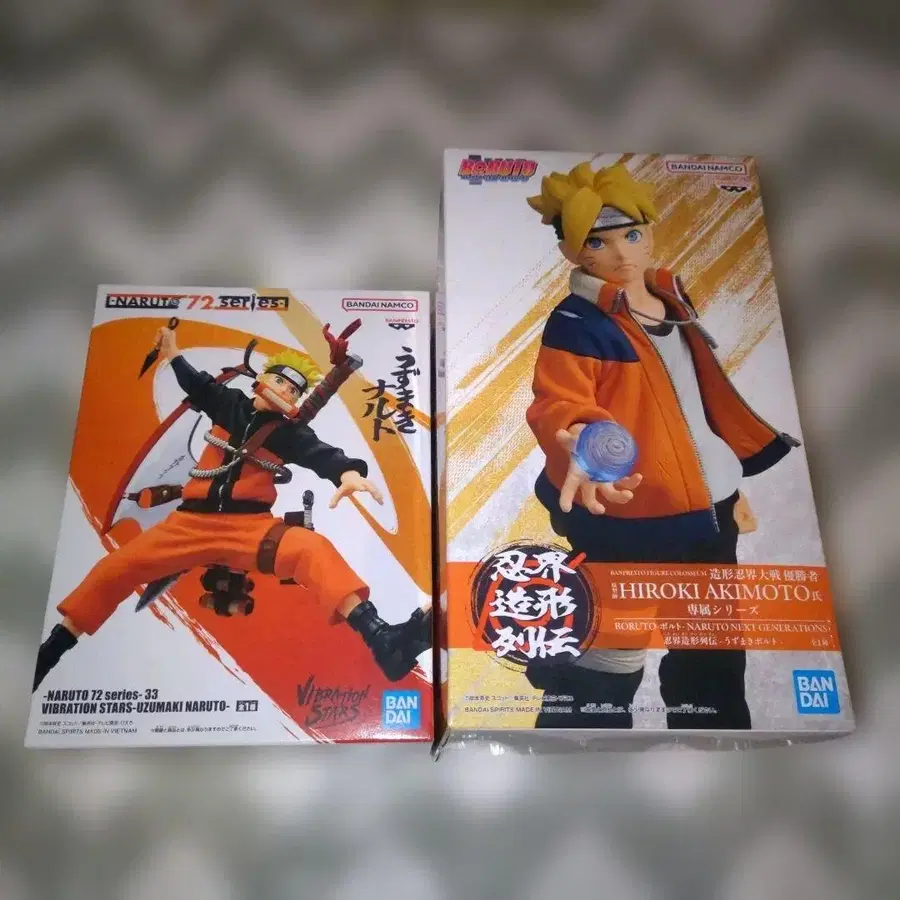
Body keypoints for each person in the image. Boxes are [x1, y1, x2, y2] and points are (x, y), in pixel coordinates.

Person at [524, 161, 798, 729]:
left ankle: (717, 746)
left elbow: (694, 400)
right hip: (627, 512)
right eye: (596, 241)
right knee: (608, 657)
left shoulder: (673, 299)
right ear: (572, 252)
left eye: (631, 234)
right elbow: (559, 400)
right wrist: (585, 440)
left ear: (651, 234)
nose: (620, 253)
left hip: (708, 508)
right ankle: (577, 748)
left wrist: (725, 476)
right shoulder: (577, 321)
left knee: (712, 649)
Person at [33, 324, 431, 690]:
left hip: (251, 530)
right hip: (187, 525)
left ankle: (382, 639)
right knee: (114, 568)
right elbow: (197, 384)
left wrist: (348, 474)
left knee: (313, 550)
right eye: (280, 381)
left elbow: (322, 455)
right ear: (262, 380)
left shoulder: (289, 434)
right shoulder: (227, 405)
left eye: (294, 391)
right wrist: (173, 351)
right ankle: (49, 653)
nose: (285, 391)